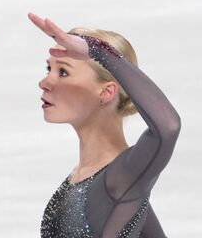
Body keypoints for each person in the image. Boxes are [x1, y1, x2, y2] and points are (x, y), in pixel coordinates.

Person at [28, 13, 180, 238]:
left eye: (63, 72)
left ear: (107, 91)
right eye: (48, 69)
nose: (44, 83)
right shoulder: (110, 186)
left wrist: (97, 50)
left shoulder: (121, 179)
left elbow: (167, 126)